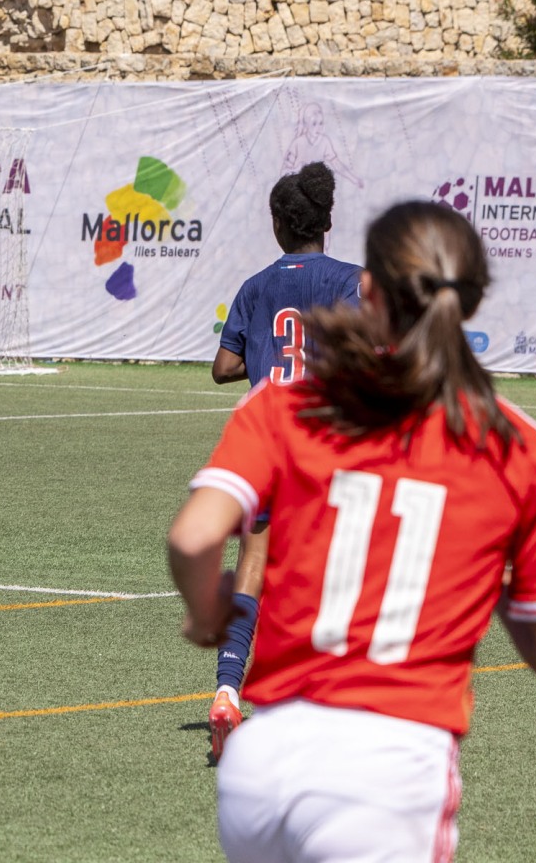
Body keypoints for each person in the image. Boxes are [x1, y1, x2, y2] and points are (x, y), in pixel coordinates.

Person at [169, 201, 536, 861]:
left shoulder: (286, 404)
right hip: (391, 769)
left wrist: (206, 618)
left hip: (263, 764)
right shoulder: (518, 447)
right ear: (472, 303)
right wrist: (500, 577)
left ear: (368, 289)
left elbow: (194, 538)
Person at [204, 162, 366, 763]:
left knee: (252, 562)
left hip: (265, 436)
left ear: (278, 225)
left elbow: (223, 368)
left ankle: (227, 691)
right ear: (326, 224)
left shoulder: (255, 286)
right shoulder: (352, 281)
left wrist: (266, 360)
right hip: (325, 440)